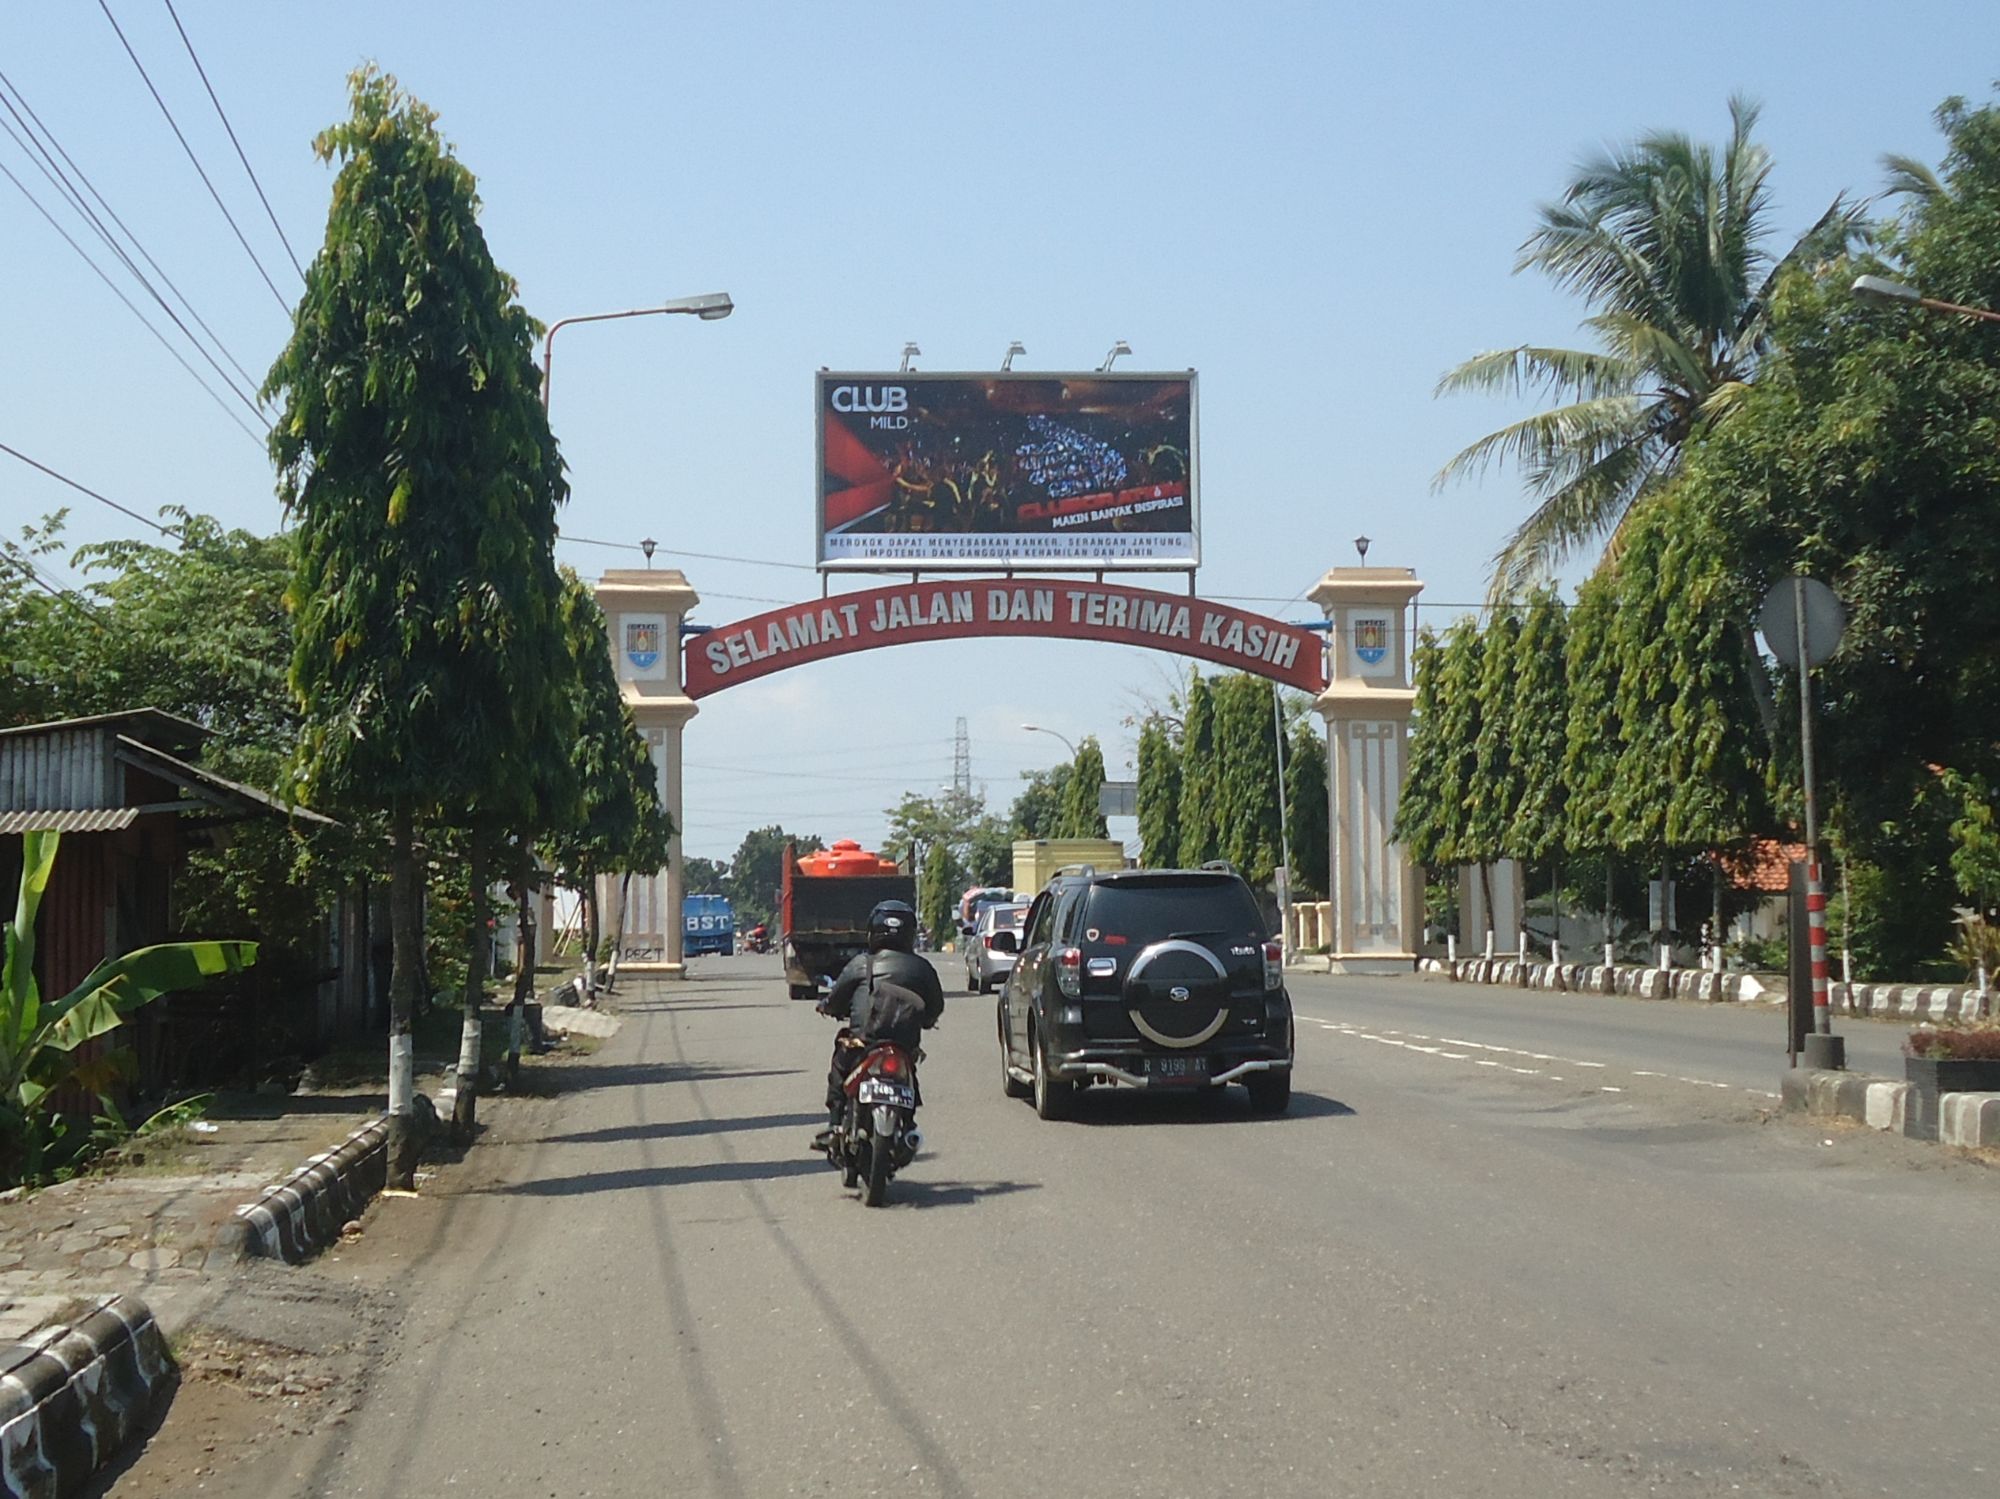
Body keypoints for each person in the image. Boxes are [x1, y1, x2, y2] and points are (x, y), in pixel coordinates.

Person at [812, 900, 944, 1150]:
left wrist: (826, 1007)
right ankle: (909, 1124)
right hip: (904, 1045)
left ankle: (835, 1123)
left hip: (863, 1042)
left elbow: (836, 998)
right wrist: (927, 1021)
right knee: (909, 1072)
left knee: (840, 1063)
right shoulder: (923, 968)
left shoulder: (862, 963)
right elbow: (935, 1007)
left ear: (873, 932)